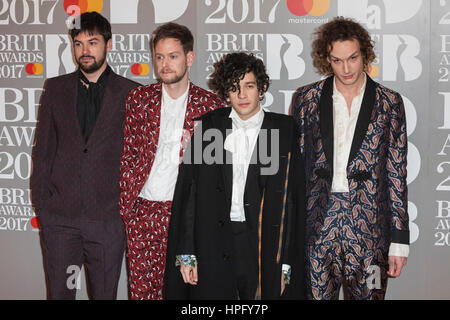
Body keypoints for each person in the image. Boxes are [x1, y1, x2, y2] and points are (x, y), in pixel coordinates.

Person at [164, 52, 306, 300]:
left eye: (249, 86)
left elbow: (290, 202)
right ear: (225, 93)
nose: (242, 95)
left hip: (262, 244)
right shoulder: (210, 127)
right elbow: (191, 192)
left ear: (261, 89)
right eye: (234, 88)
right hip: (214, 241)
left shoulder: (282, 129)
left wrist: (285, 265)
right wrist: (186, 253)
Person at [290, 17, 409, 300]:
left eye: (353, 58)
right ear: (326, 59)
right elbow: (295, 168)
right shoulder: (306, 98)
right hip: (317, 226)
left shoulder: (390, 102)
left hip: (372, 232)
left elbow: (396, 173)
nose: (346, 68)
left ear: (364, 54)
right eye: (337, 60)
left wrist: (399, 242)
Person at [31, 11, 140, 300]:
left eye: (92, 42)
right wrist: (44, 209)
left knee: (104, 295)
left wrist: (123, 213)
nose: (85, 51)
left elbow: (139, 159)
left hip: (107, 222)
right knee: (61, 294)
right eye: (78, 43)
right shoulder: (55, 89)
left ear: (109, 44)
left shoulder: (132, 94)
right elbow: (43, 152)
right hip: (60, 222)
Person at [119, 22, 225, 300]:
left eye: (173, 56)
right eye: (159, 57)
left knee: (184, 293)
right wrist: (128, 208)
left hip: (185, 217)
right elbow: (128, 154)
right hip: (142, 213)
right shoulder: (139, 99)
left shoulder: (211, 106)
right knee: (142, 293)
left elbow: (213, 172)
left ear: (189, 58)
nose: (165, 64)